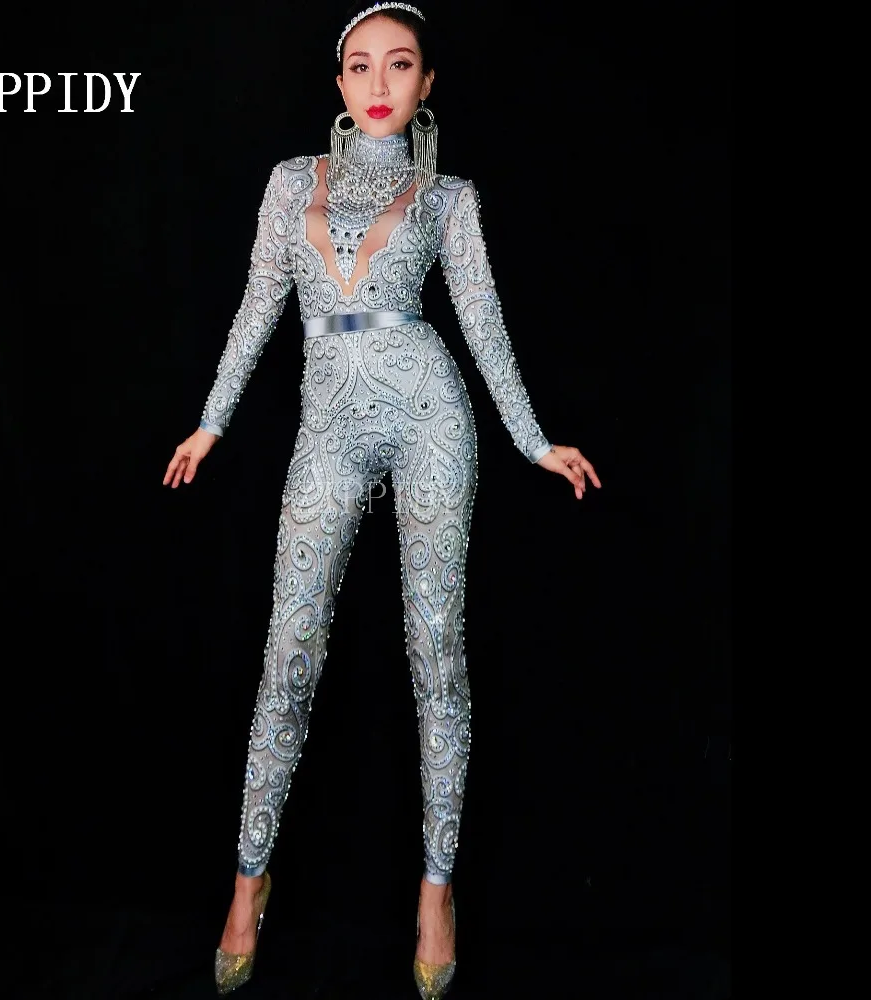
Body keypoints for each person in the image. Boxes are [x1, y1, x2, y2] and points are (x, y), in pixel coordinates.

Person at [163, 3, 601, 996]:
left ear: (426, 84)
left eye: (399, 65)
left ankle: (436, 889)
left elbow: (482, 323)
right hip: (328, 426)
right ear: (338, 83)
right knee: (288, 648)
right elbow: (258, 305)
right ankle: (248, 878)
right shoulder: (291, 183)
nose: (377, 82)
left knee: (435, 647)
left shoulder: (449, 198)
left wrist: (533, 440)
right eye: (360, 65)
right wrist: (211, 422)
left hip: (430, 415)